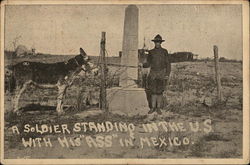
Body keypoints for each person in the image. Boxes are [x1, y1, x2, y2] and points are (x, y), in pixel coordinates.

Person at [141, 34, 171, 115]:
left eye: (159, 42)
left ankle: (158, 108)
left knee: (160, 91)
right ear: (154, 43)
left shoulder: (165, 52)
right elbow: (148, 63)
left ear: (161, 43)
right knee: (153, 91)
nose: (157, 43)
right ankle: (153, 108)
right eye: (156, 42)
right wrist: (143, 64)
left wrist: (167, 74)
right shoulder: (151, 52)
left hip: (162, 74)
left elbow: (168, 64)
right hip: (153, 74)